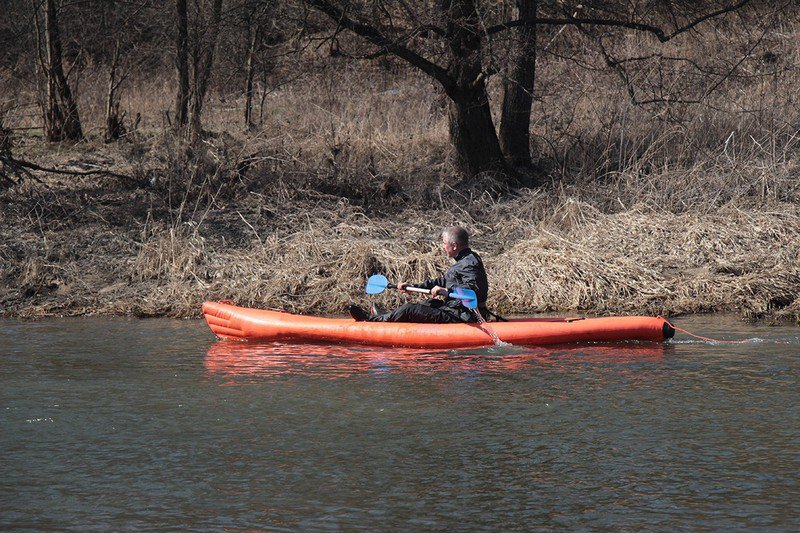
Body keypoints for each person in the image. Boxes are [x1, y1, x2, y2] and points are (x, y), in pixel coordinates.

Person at [349, 226, 488, 323]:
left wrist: (447, 291)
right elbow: (441, 281)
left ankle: (370, 319)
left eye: (444, 243)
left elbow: (473, 289)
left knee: (410, 309)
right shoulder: (464, 261)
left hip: (465, 315)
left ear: (454, 245)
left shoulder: (470, 262)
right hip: (455, 310)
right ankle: (385, 316)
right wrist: (413, 286)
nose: (443, 247)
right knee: (428, 303)